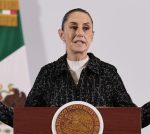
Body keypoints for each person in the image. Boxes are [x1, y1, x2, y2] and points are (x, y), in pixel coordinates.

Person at [0, 8, 150, 128]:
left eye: (86, 28)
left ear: (92, 35)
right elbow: (26, 121)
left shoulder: (108, 73)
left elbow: (134, 119)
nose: (79, 33)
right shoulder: (48, 73)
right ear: (61, 34)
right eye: (73, 27)